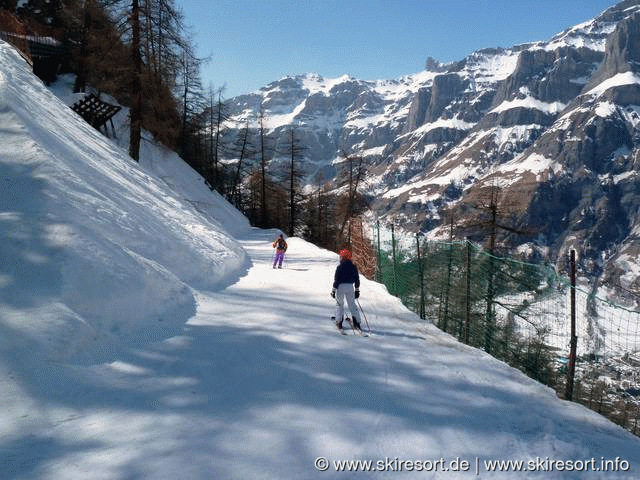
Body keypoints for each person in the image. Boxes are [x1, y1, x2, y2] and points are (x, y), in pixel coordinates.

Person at [331, 249, 362, 332]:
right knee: (352, 304)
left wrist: (334, 290)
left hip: (340, 287)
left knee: (339, 304)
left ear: (343, 257)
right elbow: (357, 279)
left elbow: (336, 279)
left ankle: (339, 321)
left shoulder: (339, 267)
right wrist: (357, 289)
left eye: (340, 256)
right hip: (350, 287)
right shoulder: (353, 267)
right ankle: (357, 322)